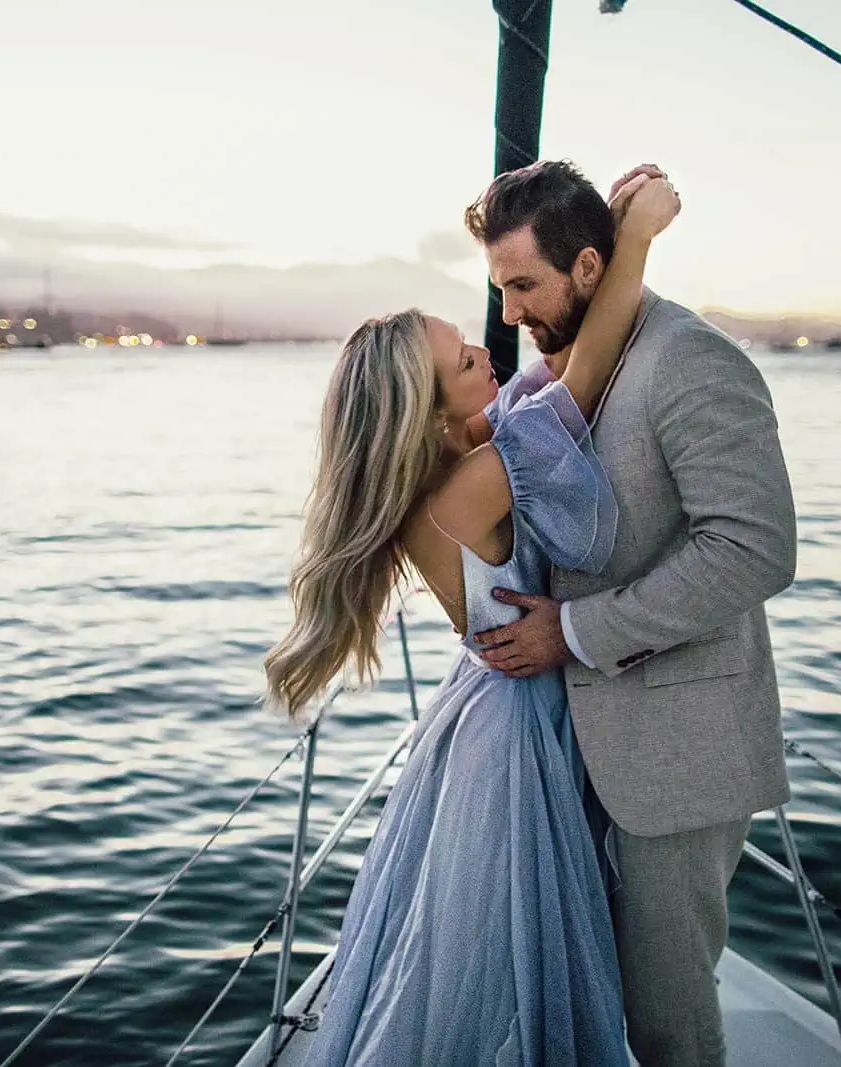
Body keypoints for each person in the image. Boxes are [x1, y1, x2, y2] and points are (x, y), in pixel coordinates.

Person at [264, 168, 681, 1064]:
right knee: (513, 953)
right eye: (464, 363)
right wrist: (636, 239)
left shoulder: (447, 475)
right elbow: (592, 368)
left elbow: (551, 379)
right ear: (429, 407)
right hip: (516, 726)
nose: (490, 352)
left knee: (483, 940)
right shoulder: (471, 486)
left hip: (485, 702)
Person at [470, 160, 798, 1066]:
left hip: (678, 752)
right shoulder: (564, 373)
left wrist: (570, 632)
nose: (508, 315)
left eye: (522, 285)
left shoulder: (689, 360)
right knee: (574, 988)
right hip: (563, 749)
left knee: (667, 1017)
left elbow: (755, 548)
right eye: (500, 289)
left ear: (586, 267)